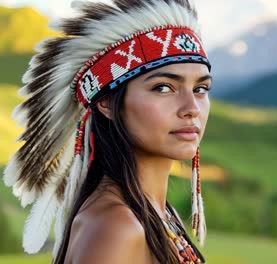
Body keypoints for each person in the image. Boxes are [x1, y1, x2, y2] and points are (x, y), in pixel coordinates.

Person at [3, 0, 211, 263]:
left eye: (201, 89)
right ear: (107, 102)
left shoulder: (154, 214)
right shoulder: (116, 227)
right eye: (163, 87)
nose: (191, 107)